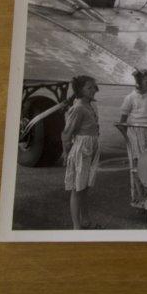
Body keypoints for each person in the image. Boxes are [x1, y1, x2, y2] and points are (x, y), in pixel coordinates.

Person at [62, 75, 101, 230]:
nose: (93, 90)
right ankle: (76, 227)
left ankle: (85, 221)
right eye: (89, 87)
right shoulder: (78, 108)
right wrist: (66, 152)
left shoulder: (90, 105)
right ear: (80, 90)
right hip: (81, 149)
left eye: (94, 87)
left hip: (91, 147)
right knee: (77, 189)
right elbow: (67, 133)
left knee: (84, 187)